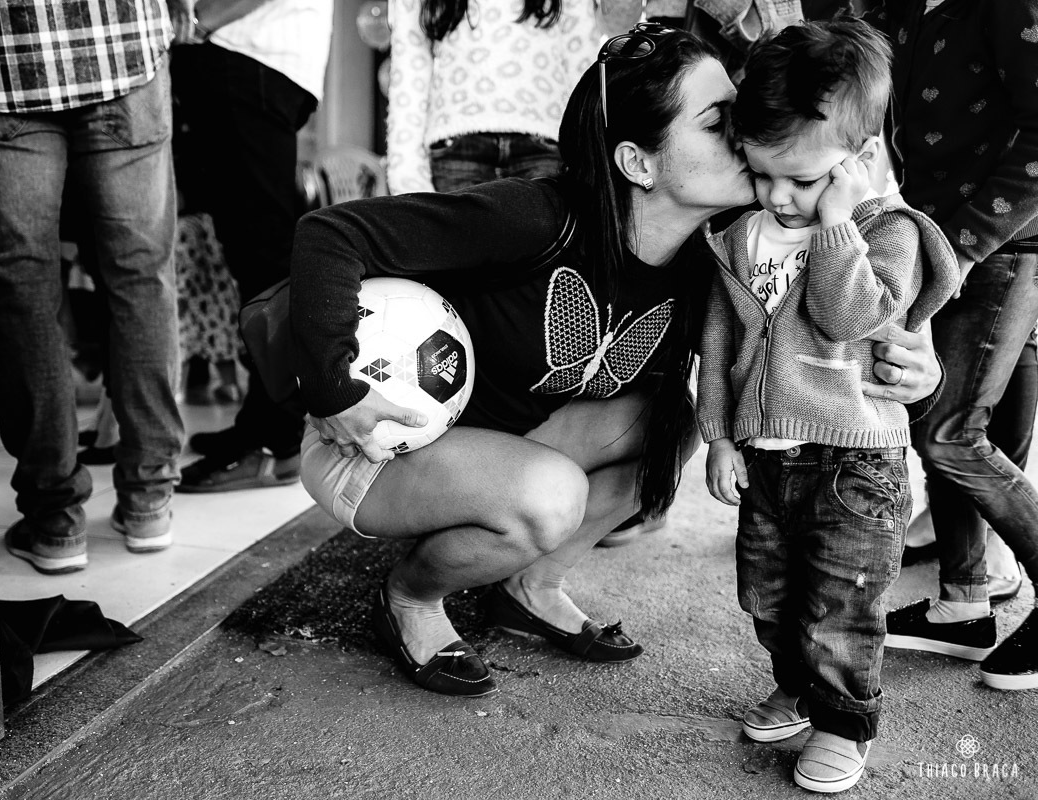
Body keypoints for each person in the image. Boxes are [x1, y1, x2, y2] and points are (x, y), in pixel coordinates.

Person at [282, 21, 943, 701]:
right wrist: (336, 392)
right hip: (373, 442)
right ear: (639, 163)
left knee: (667, 423)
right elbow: (331, 233)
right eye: (719, 121)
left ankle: (529, 585)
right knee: (549, 498)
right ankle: (411, 599)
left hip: (496, 442)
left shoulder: (713, 251)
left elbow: (828, 309)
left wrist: (917, 363)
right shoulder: (537, 217)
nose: (744, 135)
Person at [697, 20, 957, 793]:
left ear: (860, 159)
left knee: (841, 605)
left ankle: (844, 720)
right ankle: (801, 687)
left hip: (857, 463)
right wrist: (718, 433)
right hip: (769, 458)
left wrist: (836, 221)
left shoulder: (888, 234)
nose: (780, 196)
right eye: (763, 172)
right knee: (768, 595)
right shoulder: (743, 236)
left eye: (804, 180)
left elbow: (852, 319)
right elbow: (720, 342)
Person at [0, 0, 185, 573]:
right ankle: (148, 501)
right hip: (122, 48)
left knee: (23, 290)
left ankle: (54, 518)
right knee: (142, 280)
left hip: (2, 58)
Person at [867, 0, 1038, 693]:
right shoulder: (901, 6)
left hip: (998, 242)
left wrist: (961, 249)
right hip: (938, 236)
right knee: (943, 412)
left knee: (949, 435)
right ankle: (963, 603)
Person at [170, 0, 334, 494]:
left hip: (250, 59)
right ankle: (264, 426)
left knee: (264, 259)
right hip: (256, 61)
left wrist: (200, 22)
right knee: (253, 256)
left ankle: (274, 440)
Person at [385, 0, 599, 194]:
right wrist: (408, 180)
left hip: (546, 146)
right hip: (456, 150)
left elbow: (582, 66)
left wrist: (589, 162)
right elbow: (409, 73)